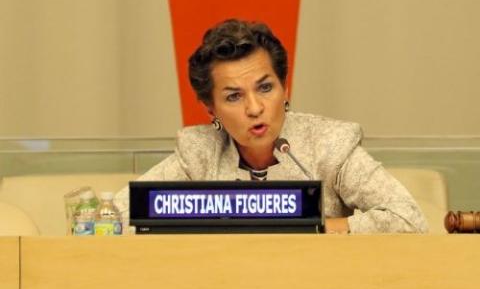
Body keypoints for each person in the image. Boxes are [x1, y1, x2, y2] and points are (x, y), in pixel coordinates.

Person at [115, 19, 428, 233]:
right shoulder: (199, 153)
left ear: (285, 89)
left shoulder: (330, 145)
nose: (255, 108)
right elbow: (114, 217)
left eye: (265, 88)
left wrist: (314, 227)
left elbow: (408, 219)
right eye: (234, 96)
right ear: (211, 109)